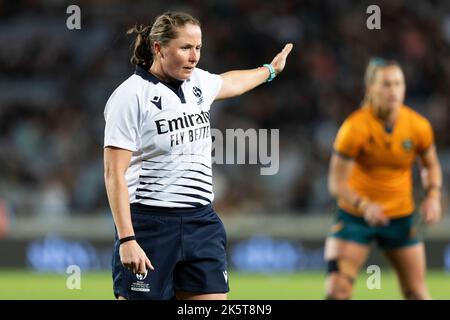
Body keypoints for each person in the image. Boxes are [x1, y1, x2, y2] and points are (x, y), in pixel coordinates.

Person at [103, 11, 293, 300]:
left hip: (201, 221)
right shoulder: (130, 97)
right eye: (185, 48)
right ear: (158, 48)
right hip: (150, 225)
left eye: (198, 48)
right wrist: (128, 238)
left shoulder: (197, 84)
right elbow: (113, 173)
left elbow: (230, 82)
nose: (194, 57)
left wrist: (270, 70)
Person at [324, 58, 442, 300]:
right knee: (337, 290)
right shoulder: (354, 128)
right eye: (386, 84)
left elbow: (430, 165)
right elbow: (337, 183)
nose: (394, 91)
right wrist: (364, 205)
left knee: (416, 292)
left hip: (400, 216)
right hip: (356, 216)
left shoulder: (418, 126)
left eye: (398, 84)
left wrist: (433, 196)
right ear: (371, 89)